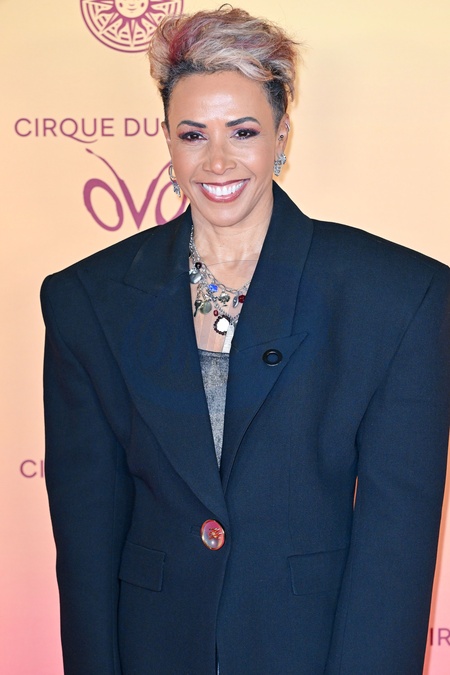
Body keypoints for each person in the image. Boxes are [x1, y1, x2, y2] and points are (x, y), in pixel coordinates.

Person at [41, 7, 450, 675]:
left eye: (244, 131)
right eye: (193, 134)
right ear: (167, 139)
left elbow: (395, 552)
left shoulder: (398, 298)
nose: (217, 161)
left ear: (282, 134)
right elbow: (86, 542)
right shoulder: (87, 299)